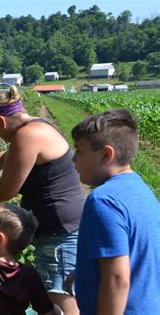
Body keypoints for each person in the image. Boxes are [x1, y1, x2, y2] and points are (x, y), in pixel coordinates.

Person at [0, 86, 84, 315]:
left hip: (59, 232)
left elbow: (5, 191)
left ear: (1, 120)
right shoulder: (37, 126)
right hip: (62, 227)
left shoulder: (27, 135)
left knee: (62, 303)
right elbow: (7, 158)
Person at [69, 109, 160, 314]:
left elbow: (117, 279)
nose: (74, 159)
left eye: (79, 151)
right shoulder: (141, 190)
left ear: (106, 154)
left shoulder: (103, 201)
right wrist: (84, 272)